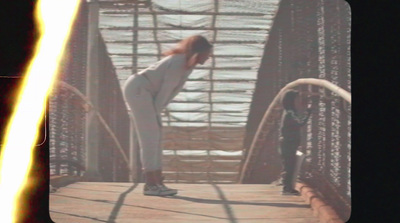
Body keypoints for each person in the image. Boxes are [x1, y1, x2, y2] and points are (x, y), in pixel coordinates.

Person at [123, 35, 213, 196]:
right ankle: (151, 184)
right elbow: (165, 92)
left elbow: (170, 92)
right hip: (139, 90)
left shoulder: (186, 65)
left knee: (155, 135)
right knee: (150, 137)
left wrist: (157, 115)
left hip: (144, 91)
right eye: (207, 54)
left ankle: (156, 181)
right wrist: (156, 114)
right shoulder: (178, 63)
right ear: (198, 52)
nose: (209, 57)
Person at [278, 89, 311, 195]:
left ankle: (287, 187)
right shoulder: (290, 113)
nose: (299, 101)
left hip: (288, 143)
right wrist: (308, 112)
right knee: (290, 166)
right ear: (291, 101)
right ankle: (287, 189)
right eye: (297, 99)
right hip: (288, 144)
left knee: (289, 165)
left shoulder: (289, 112)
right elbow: (300, 123)